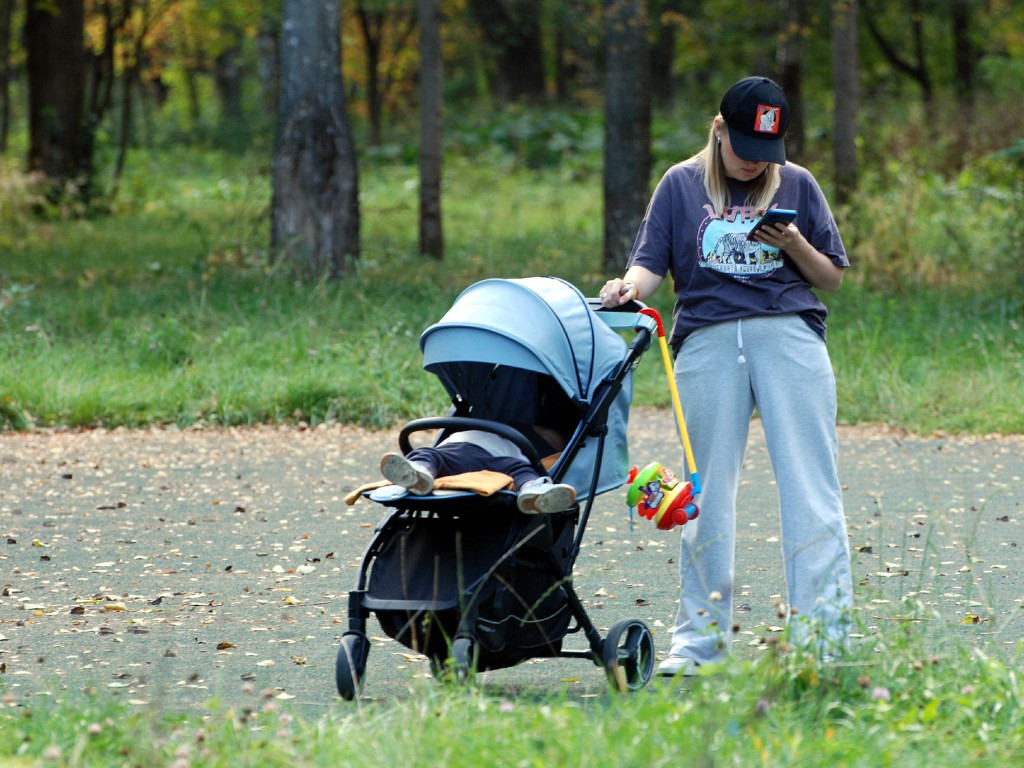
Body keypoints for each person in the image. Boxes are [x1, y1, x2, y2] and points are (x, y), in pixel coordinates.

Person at [600, 76, 853, 676]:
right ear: (718, 130)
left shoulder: (797, 183)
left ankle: (823, 641)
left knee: (812, 491)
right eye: (744, 149)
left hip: (789, 336)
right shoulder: (679, 184)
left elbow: (832, 277)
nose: (754, 164)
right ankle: (700, 646)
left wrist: (791, 241)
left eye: (766, 152)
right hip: (708, 343)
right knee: (704, 495)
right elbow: (648, 264)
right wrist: (625, 289)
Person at [379, 424, 577, 515]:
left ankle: (420, 471)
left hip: (460, 452)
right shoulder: (521, 436)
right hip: (495, 457)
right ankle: (533, 488)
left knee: (428, 455)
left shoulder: (486, 426)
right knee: (522, 471)